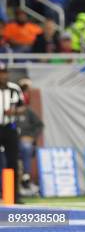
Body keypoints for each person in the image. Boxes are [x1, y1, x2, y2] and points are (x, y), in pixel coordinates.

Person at [0, 63, 25, 203]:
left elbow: (23, 107)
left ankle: (14, 195)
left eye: (4, 72)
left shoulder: (14, 89)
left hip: (10, 127)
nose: (3, 75)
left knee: (12, 161)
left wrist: (14, 111)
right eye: (0, 72)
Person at [16, 78, 43, 195]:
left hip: (24, 142)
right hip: (10, 141)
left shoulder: (28, 112)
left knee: (26, 146)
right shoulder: (9, 111)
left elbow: (39, 125)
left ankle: (26, 177)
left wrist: (31, 136)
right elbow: (10, 126)